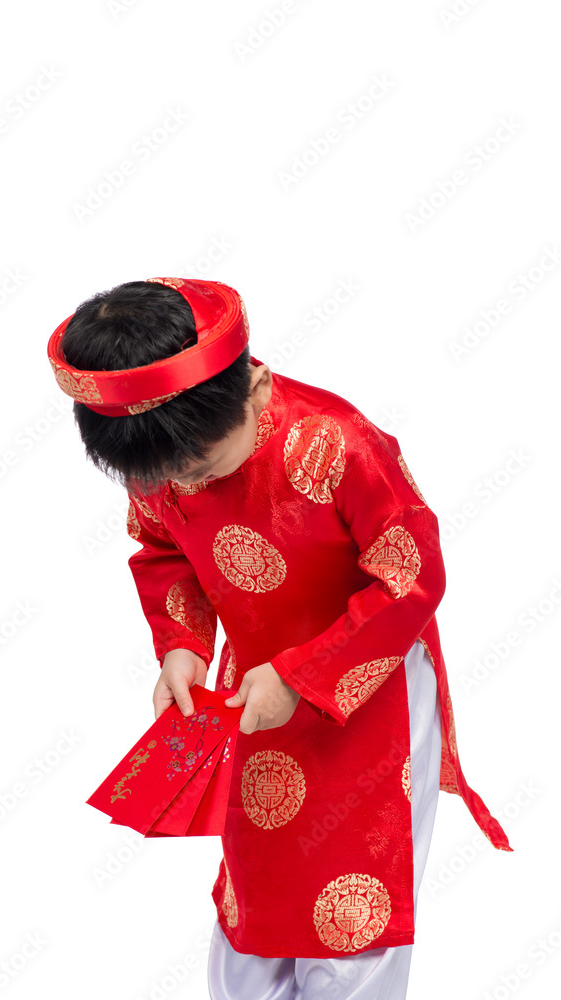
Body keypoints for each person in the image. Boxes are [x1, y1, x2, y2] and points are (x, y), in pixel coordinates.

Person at [48, 277, 512, 999]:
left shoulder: (337, 444)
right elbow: (162, 547)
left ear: (250, 381)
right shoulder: (165, 460)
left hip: (368, 681)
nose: (182, 486)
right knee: (256, 880)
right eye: (163, 475)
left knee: (352, 896)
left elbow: (409, 577)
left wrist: (303, 675)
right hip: (247, 683)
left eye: (198, 468)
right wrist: (182, 646)